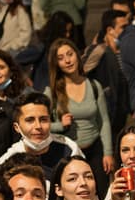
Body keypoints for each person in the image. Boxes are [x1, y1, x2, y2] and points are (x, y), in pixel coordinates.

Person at [47, 38, 113, 179]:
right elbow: (41, 125)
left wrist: (108, 153)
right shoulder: (52, 91)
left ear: (77, 55)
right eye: (61, 58)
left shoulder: (94, 86)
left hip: (95, 151)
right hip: (67, 153)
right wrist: (60, 125)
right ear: (56, 64)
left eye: (70, 54)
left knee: (101, 190)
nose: (67, 60)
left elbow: (104, 121)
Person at [0, 93, 83, 177]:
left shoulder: (69, 149)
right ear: (17, 127)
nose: (38, 126)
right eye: (30, 120)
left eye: (43, 119)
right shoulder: (4, 164)